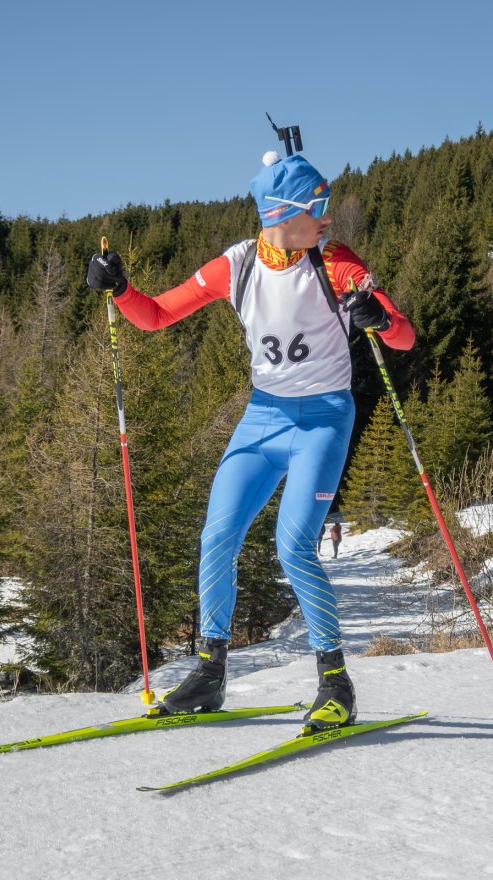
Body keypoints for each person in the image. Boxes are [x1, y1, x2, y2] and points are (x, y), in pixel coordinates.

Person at [86, 151, 415, 730]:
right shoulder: (235, 265)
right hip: (263, 418)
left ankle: (336, 684)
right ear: (282, 215)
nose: (328, 220)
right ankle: (210, 674)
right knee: (217, 536)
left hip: (323, 419)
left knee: (293, 547)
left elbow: (405, 336)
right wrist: (118, 289)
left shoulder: (334, 262)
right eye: (319, 209)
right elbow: (157, 315)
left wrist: (378, 317)